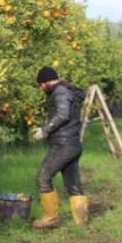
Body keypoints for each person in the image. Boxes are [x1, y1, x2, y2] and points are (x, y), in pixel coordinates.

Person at [32, 66, 88, 229]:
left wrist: (45, 130)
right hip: (73, 144)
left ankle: (51, 218)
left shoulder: (60, 92)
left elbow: (62, 115)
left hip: (63, 145)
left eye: (41, 85)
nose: (41, 89)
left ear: (47, 81)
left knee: (43, 177)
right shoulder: (67, 91)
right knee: (73, 185)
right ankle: (81, 223)